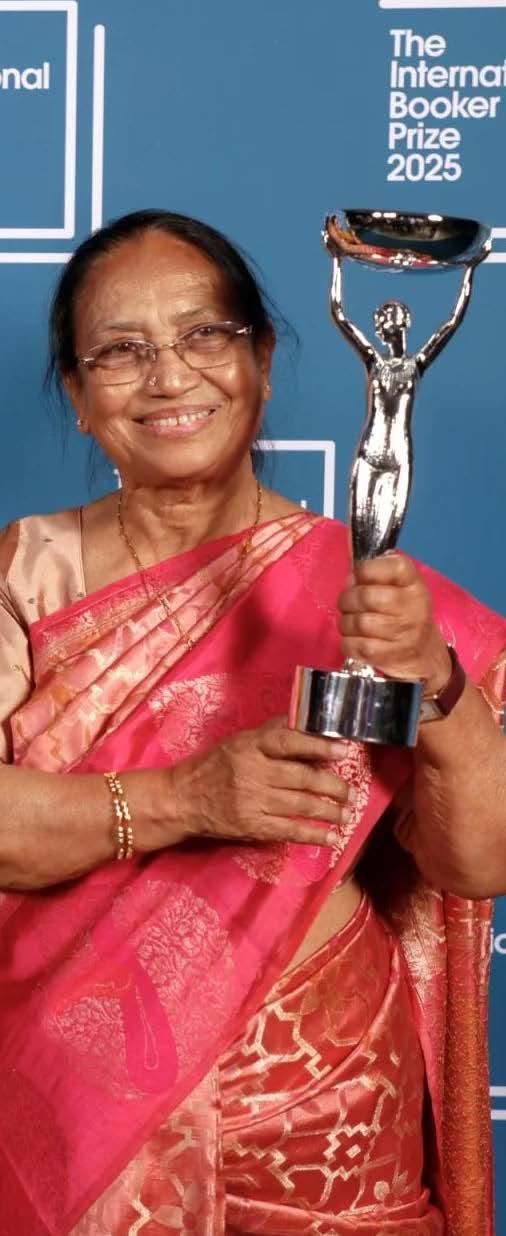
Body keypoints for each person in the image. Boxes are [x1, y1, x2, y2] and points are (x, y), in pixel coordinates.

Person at [0, 209, 504, 1236]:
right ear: (79, 398)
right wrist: (187, 798)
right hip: (81, 1114)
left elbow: (479, 861)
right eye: (121, 351)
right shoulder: (22, 576)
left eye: (203, 335)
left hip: (327, 1112)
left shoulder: (369, 590)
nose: (168, 376)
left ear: (262, 362)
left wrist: (436, 685)